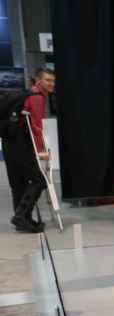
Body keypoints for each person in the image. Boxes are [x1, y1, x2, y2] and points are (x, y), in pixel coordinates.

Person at [3, 67, 55, 233]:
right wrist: (39, 150)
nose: (51, 83)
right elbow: (36, 126)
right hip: (20, 141)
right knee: (38, 180)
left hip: (9, 140)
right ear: (38, 80)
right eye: (48, 80)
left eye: (53, 81)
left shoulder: (28, 93)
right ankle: (21, 215)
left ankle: (23, 219)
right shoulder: (37, 97)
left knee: (18, 182)